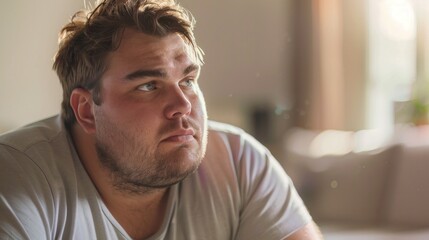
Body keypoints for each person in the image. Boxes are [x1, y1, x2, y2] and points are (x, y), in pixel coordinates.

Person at [0, 0, 322, 239]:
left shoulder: (240, 164)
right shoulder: (16, 175)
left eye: (187, 81)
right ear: (86, 110)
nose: (181, 105)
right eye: (148, 86)